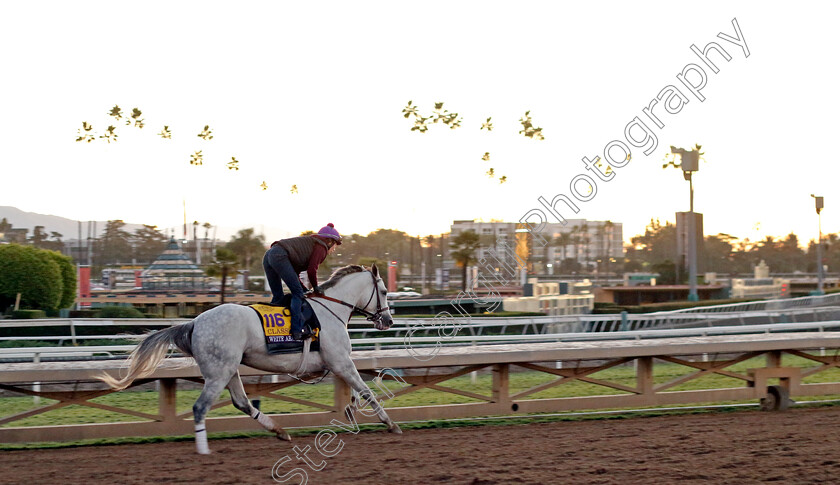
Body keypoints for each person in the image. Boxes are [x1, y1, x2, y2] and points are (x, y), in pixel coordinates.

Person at [262, 223, 342, 340]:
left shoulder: (309, 245)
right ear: (329, 241)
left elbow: (295, 274)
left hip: (269, 254)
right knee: (297, 294)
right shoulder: (322, 247)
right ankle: (297, 331)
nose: (334, 249)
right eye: (335, 245)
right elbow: (312, 270)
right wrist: (316, 287)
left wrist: (305, 289)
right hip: (279, 255)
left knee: (278, 296)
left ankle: (272, 330)